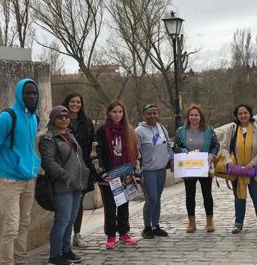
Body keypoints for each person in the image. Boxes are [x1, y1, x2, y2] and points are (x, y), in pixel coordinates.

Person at [0, 79, 41, 265]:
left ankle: (20, 260)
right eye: (27, 93)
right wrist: (0, 168)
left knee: (24, 224)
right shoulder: (6, 117)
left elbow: (29, 147)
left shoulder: (34, 117)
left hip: (29, 178)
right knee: (11, 227)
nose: (31, 96)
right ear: (19, 94)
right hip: (9, 181)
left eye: (34, 93)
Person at [39, 106, 90, 265]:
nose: (64, 119)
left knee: (71, 219)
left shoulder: (69, 135)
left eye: (66, 116)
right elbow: (49, 162)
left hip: (76, 184)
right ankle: (54, 256)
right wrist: (65, 176)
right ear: (53, 119)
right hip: (63, 185)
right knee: (62, 220)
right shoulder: (49, 139)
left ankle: (66, 250)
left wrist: (85, 174)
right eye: (60, 117)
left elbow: (78, 158)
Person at [93, 101, 139, 249]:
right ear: (109, 113)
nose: (117, 115)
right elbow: (96, 153)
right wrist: (102, 173)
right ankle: (111, 235)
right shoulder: (101, 131)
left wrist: (133, 170)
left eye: (120, 112)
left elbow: (134, 151)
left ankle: (124, 233)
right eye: (114, 112)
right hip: (108, 176)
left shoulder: (128, 130)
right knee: (110, 208)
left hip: (124, 174)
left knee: (124, 205)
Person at [220, 104, 257, 234]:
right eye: (240, 113)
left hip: (254, 169)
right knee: (239, 198)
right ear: (237, 115)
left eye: (245, 113)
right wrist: (229, 161)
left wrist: (252, 163)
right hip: (237, 169)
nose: (243, 115)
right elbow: (224, 147)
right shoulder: (232, 129)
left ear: (250, 113)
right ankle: (238, 223)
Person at [173, 104, 220, 233]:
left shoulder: (209, 130)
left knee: (207, 194)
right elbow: (175, 147)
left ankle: (209, 221)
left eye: (196, 115)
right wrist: (182, 150)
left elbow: (216, 145)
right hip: (189, 167)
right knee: (190, 195)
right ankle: (191, 222)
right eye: (191, 115)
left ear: (201, 117)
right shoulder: (181, 131)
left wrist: (212, 155)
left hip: (204, 166)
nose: (194, 117)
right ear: (188, 117)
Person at [61, 93, 95, 249]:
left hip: (82, 167)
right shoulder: (59, 119)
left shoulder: (87, 122)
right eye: (72, 101)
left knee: (78, 203)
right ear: (67, 103)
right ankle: (63, 237)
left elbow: (90, 146)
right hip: (65, 168)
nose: (75, 104)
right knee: (65, 204)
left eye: (78, 102)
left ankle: (77, 234)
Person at [135, 104, 174, 239]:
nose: (152, 116)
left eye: (155, 113)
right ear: (144, 115)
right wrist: (138, 172)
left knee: (157, 199)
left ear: (158, 114)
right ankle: (147, 227)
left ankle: (155, 226)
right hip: (148, 171)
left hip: (161, 170)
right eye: (149, 113)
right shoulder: (139, 131)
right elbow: (136, 152)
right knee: (151, 198)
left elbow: (169, 145)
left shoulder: (162, 128)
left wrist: (172, 159)